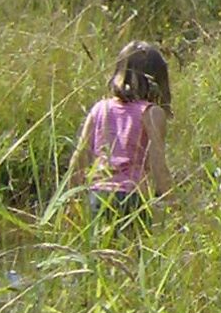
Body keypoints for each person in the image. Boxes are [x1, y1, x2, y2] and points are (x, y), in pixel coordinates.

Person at [66, 41, 174, 215]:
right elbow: (157, 164)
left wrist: (70, 200)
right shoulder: (152, 113)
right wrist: (173, 203)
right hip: (132, 199)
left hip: (98, 197)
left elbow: (79, 158)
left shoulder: (100, 109)